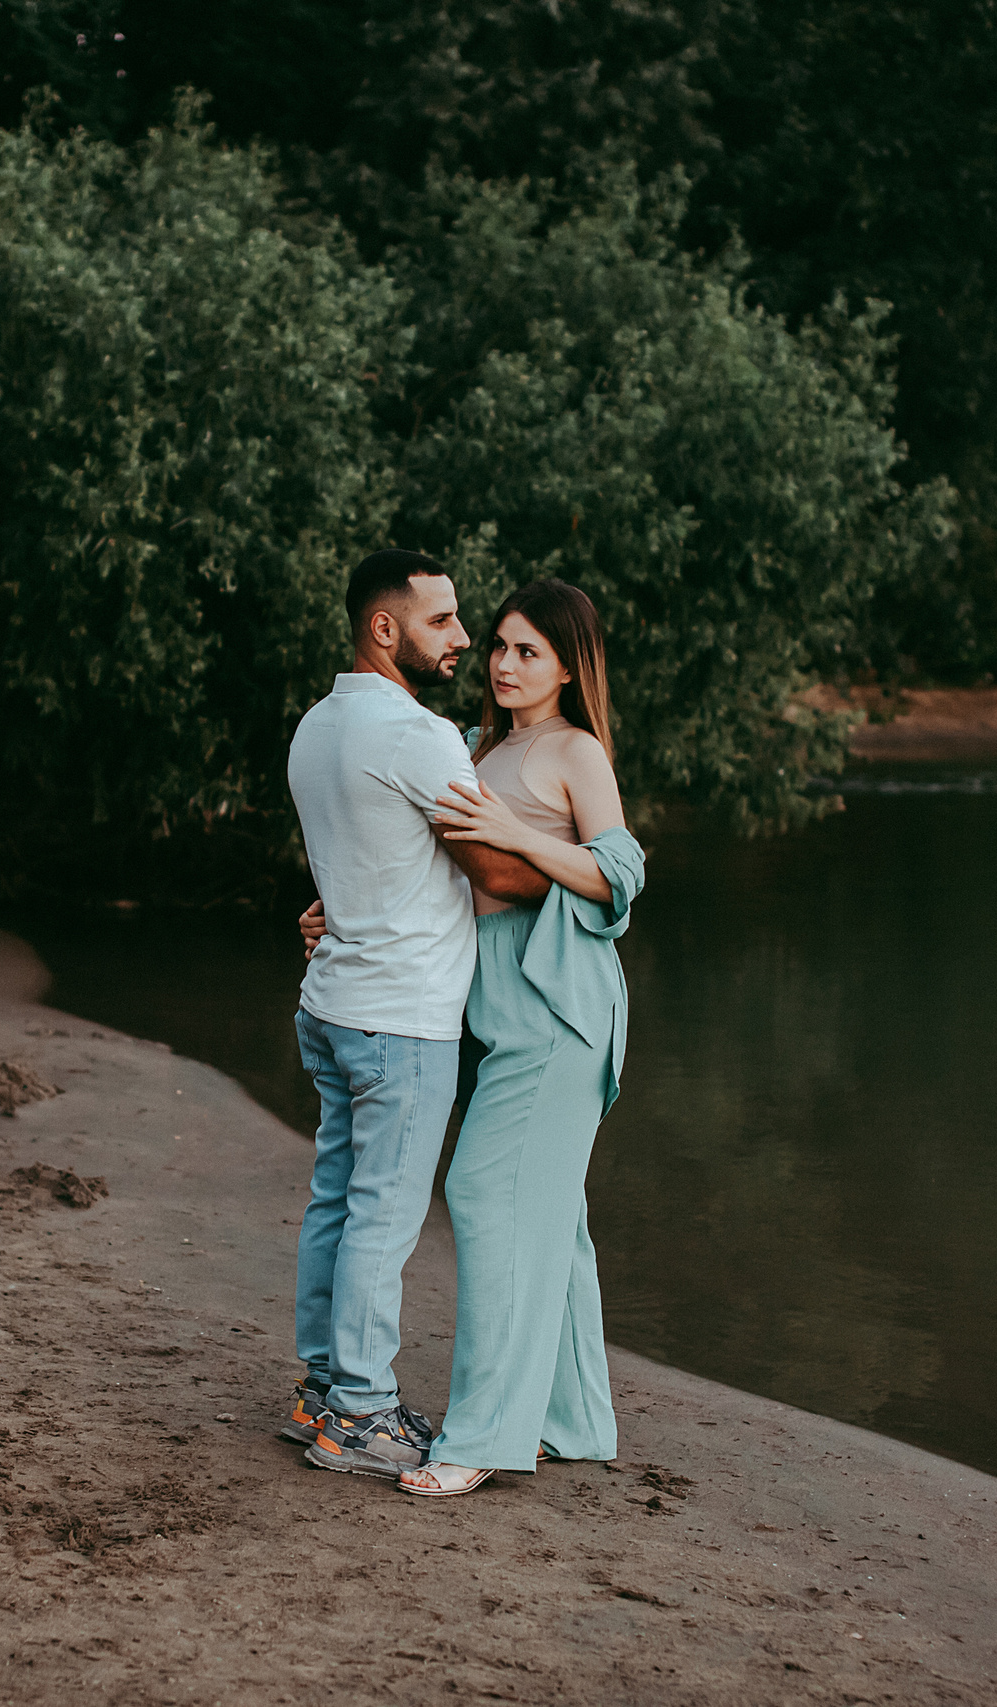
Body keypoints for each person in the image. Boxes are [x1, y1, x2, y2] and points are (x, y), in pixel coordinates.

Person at [298, 577, 645, 1499]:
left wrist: (515, 836)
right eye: (496, 644)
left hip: (559, 1012)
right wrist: (342, 910)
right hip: (495, 1015)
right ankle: (573, 1421)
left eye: (527, 650)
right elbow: (431, 866)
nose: (500, 662)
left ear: (569, 667)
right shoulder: (472, 746)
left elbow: (620, 872)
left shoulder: (574, 751)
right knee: (552, 1221)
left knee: (485, 1191)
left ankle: (482, 1436)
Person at [282, 550, 546, 1481]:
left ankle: (321, 1393)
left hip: (333, 1006)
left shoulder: (315, 727)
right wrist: (583, 860)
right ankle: (358, 1412)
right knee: (383, 1217)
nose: (466, 639)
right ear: (383, 629)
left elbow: (354, 867)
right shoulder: (418, 735)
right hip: (403, 1018)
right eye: (443, 621)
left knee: (337, 1199)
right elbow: (501, 875)